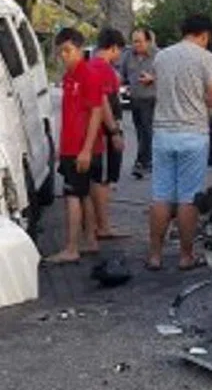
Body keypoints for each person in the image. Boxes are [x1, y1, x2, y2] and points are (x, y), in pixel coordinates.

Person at [147, 14, 212, 271]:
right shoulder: (207, 59)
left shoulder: (162, 57)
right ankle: (185, 255)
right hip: (193, 134)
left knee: (161, 196)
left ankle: (155, 256)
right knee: (188, 198)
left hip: (162, 133)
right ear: (204, 35)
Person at [48, 27, 105, 264]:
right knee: (83, 195)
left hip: (82, 147)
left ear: (80, 49)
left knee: (72, 196)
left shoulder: (88, 75)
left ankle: (71, 247)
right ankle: (90, 240)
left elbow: (96, 112)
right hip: (71, 145)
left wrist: (86, 149)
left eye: (68, 51)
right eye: (61, 52)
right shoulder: (69, 76)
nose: (64, 56)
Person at [86, 27, 128, 240]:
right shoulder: (104, 70)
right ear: (113, 48)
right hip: (102, 134)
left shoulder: (90, 66)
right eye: (119, 50)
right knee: (103, 181)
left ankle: (94, 225)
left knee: (95, 181)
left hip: (92, 133)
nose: (120, 55)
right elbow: (104, 104)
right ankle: (103, 226)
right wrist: (114, 131)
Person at [122, 28, 157, 179]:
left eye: (139, 41)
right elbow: (122, 75)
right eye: (134, 41)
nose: (136, 45)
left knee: (147, 130)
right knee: (140, 131)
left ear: (148, 42)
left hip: (152, 98)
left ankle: (142, 162)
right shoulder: (128, 55)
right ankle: (146, 160)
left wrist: (153, 78)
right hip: (135, 99)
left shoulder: (159, 55)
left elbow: (168, 75)